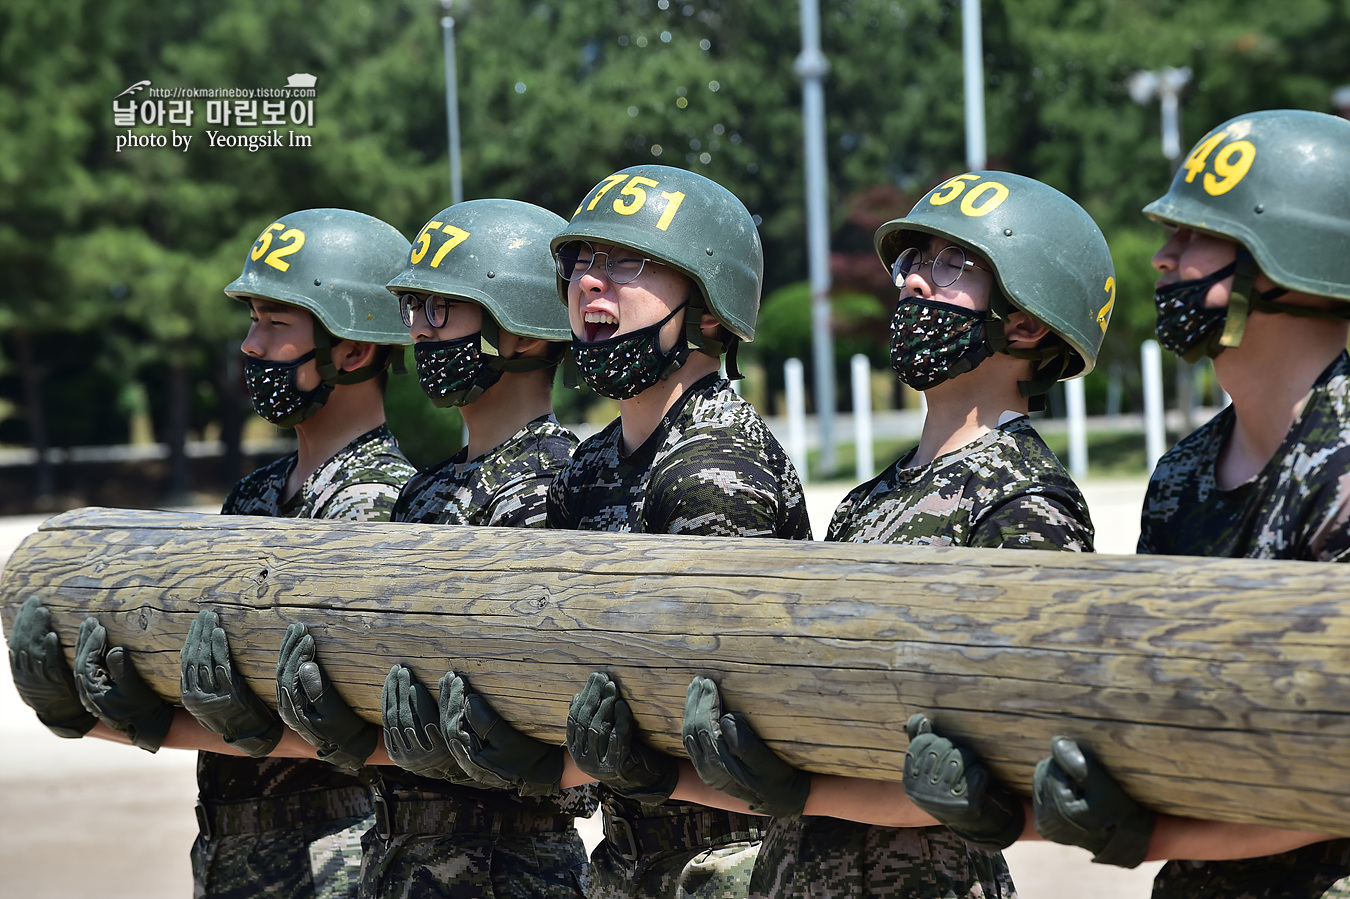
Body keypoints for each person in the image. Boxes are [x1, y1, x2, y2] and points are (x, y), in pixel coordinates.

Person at [675, 171, 1115, 899]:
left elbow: (1011, 775)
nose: (911, 283)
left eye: (951, 264)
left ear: (1027, 323)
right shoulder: (868, 499)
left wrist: (796, 788)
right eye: (913, 261)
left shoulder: (1027, 505)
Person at [421, 164, 813, 899]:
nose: (589, 284)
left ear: (707, 305)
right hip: (630, 860)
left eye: (626, 262)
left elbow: (738, 719)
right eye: (580, 262)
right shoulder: (591, 466)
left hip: (733, 864)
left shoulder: (716, 471)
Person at [42, 208, 418, 899]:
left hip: (334, 860)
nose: (251, 345)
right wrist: (101, 707)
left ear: (355, 350)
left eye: (276, 324)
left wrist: (142, 721)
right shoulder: (255, 495)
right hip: (237, 851)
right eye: (251, 320)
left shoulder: (383, 505)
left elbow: (365, 725)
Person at [1027, 109, 1350, 896]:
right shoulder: (1183, 470)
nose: (1163, 259)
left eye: (1196, 237)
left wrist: (1150, 833)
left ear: (1292, 260)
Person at [288, 198, 598, 897]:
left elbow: (558, 718)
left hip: (507, 865)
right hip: (401, 854)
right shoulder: (424, 491)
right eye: (414, 310)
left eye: (442, 309)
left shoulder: (559, 486)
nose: (422, 332)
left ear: (518, 330)